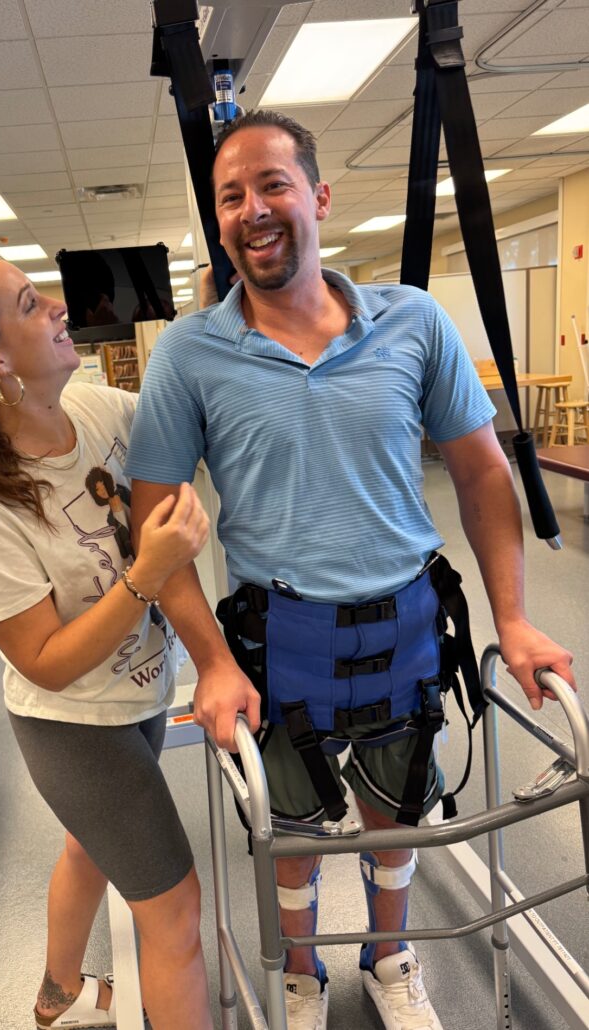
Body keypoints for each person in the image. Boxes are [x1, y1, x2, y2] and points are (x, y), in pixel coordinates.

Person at [125, 109, 576, 1030]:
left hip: (406, 622)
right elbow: (154, 525)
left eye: (273, 185)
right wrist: (210, 661)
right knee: (290, 838)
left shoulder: (410, 322)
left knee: (394, 819)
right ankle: (301, 972)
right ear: (219, 221)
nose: (253, 208)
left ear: (318, 197)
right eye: (232, 195)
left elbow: (483, 471)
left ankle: (389, 958)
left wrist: (514, 621)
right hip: (277, 638)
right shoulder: (189, 354)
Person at [0, 256, 213, 1030]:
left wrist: (213, 322)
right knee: (173, 914)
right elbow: (41, 660)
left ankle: (56, 995)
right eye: (31, 304)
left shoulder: (99, 410)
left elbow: (197, 414)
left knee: (87, 846)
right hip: (73, 727)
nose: (58, 311)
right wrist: (147, 574)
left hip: (137, 690)